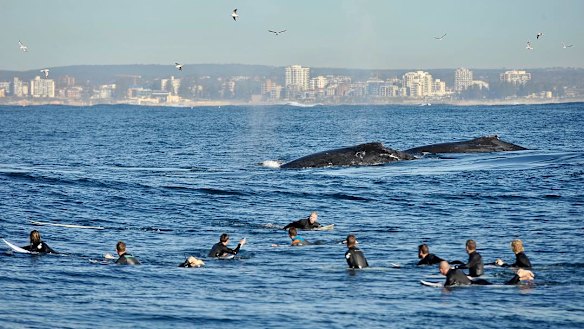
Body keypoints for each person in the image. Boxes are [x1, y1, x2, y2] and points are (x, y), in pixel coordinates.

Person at [439, 261, 535, 287]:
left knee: (506, 285)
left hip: (478, 284)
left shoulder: (450, 275)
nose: (439, 271)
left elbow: (449, 283)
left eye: (439, 269)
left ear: (442, 269)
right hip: (478, 282)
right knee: (504, 283)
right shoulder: (456, 271)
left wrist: (444, 287)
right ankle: (522, 278)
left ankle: (519, 274)